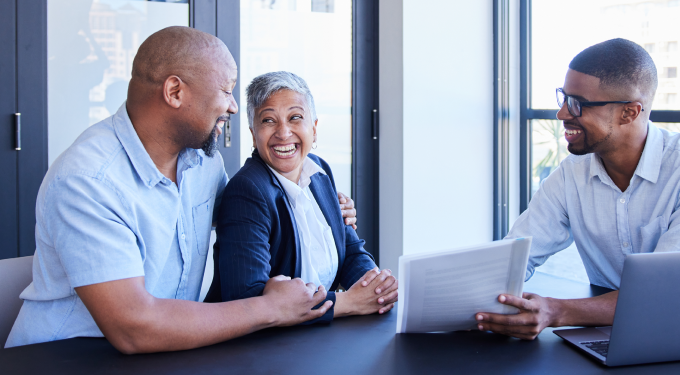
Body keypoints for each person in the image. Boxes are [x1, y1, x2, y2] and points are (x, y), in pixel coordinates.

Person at [6, 27, 358, 353]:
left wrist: (318, 206)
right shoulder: (88, 180)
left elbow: (251, 212)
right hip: (68, 356)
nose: (234, 106)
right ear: (175, 92)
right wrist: (270, 307)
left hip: (166, 351)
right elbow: (133, 328)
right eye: (226, 90)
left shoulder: (203, 163)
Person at [476, 38, 680, 340]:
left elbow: (666, 292)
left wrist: (556, 311)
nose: (562, 114)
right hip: (612, 334)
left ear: (629, 112)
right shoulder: (570, 175)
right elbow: (517, 255)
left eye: (578, 104)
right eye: (563, 98)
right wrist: (470, 297)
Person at [206, 71, 398, 322]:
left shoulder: (320, 171)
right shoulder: (247, 192)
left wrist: (375, 288)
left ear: (314, 129)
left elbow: (350, 251)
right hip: (261, 350)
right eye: (268, 121)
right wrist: (347, 303)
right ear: (253, 134)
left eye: (295, 117)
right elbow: (247, 298)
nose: (283, 133)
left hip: (317, 338)